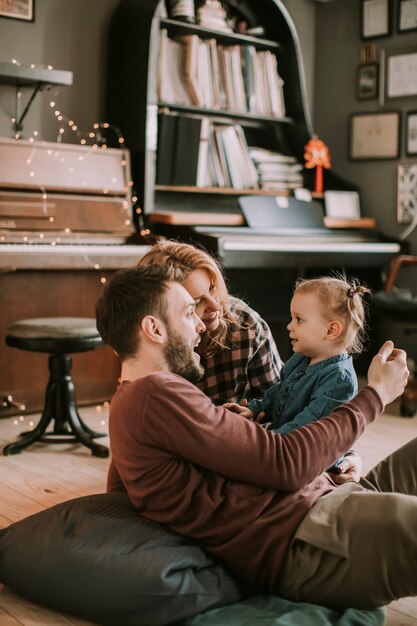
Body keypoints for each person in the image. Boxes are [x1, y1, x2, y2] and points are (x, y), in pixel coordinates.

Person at [96, 265, 413, 612]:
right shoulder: (152, 395)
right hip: (309, 537)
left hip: (328, 498)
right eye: (189, 313)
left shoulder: (141, 401)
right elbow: (286, 464)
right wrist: (376, 394)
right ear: (154, 329)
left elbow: (120, 495)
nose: (201, 324)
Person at [224, 276, 370, 473]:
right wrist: (254, 408)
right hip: (283, 444)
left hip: (315, 462)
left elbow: (307, 426)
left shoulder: (338, 379)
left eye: (299, 320)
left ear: (331, 330)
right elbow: (280, 391)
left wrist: (265, 443)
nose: (289, 326)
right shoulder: (302, 357)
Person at [137, 240, 282, 405]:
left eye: (212, 288)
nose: (215, 305)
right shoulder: (145, 345)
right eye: (197, 302)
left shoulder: (245, 325)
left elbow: (280, 407)